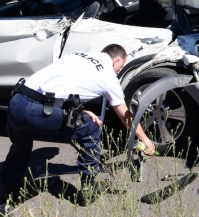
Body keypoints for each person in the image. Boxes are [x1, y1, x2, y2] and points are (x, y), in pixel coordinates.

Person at [0, 44, 155, 208]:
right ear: (116, 60)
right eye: (120, 67)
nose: (119, 71)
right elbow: (124, 114)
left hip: (17, 103)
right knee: (92, 128)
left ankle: (6, 189)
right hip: (40, 112)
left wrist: (82, 111)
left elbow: (63, 84)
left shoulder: (76, 54)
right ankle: (88, 187)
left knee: (21, 146)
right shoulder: (108, 75)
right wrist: (145, 139)